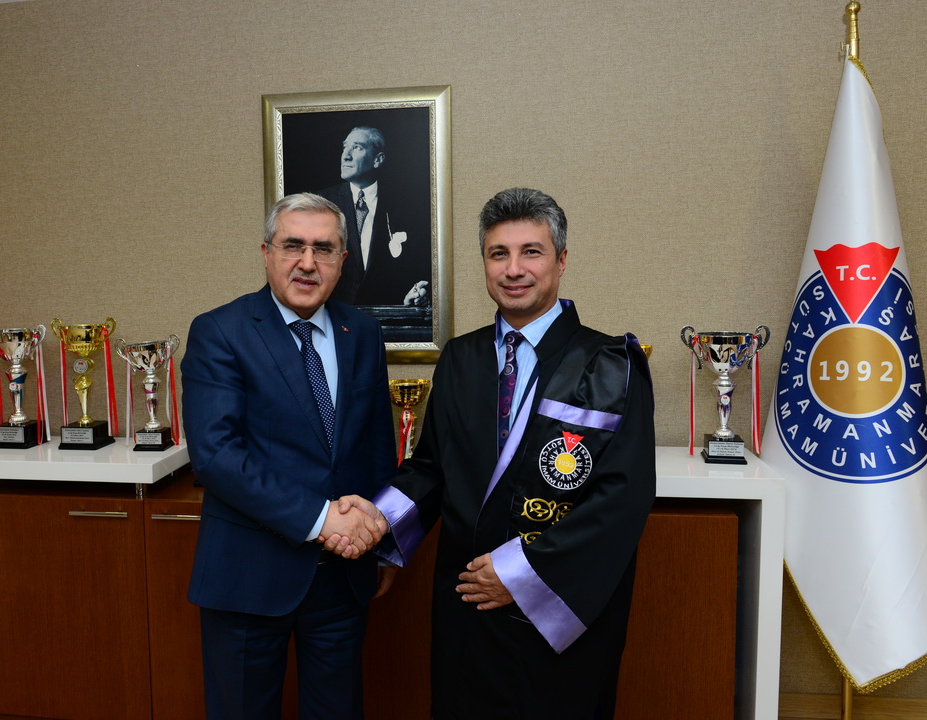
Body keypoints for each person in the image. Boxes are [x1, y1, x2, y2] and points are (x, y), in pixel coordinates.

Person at [329, 187, 656, 719]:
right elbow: (432, 468)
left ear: (562, 260)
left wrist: (520, 574)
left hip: (560, 613)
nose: (514, 269)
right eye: (498, 253)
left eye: (532, 252)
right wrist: (377, 519)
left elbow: (623, 498)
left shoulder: (610, 366)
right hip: (468, 604)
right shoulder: (461, 357)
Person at [181, 192, 397, 720]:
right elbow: (216, 455)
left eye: (323, 249)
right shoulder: (220, 331)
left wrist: (383, 539)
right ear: (266, 252)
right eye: (292, 245)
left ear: (342, 260)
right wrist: (323, 519)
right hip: (248, 577)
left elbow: (376, 446)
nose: (307, 262)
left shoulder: (362, 332)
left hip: (343, 577)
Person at [317, 126, 430, 307]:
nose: (345, 156)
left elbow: (413, 268)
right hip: (333, 315)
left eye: (357, 147)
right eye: (345, 147)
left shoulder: (406, 206)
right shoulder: (322, 203)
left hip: (386, 315)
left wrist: (411, 296)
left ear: (378, 159)